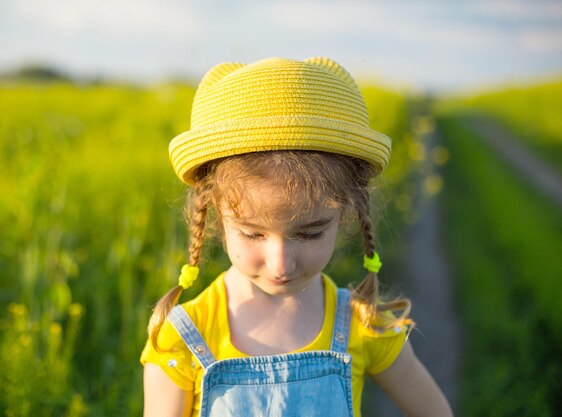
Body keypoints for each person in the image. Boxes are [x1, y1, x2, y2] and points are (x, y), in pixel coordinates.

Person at [141, 57, 453, 417]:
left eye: (309, 233)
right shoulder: (183, 339)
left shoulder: (363, 326)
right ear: (214, 214)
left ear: (346, 215)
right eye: (252, 233)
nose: (281, 264)